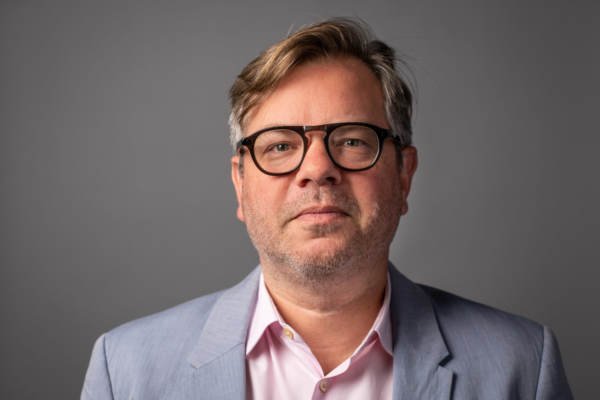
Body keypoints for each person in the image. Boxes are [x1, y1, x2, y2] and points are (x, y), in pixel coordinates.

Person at [81, 18, 572, 399]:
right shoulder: (124, 371)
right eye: (279, 147)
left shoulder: (523, 367)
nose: (317, 170)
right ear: (240, 184)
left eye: (353, 141)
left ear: (404, 175)